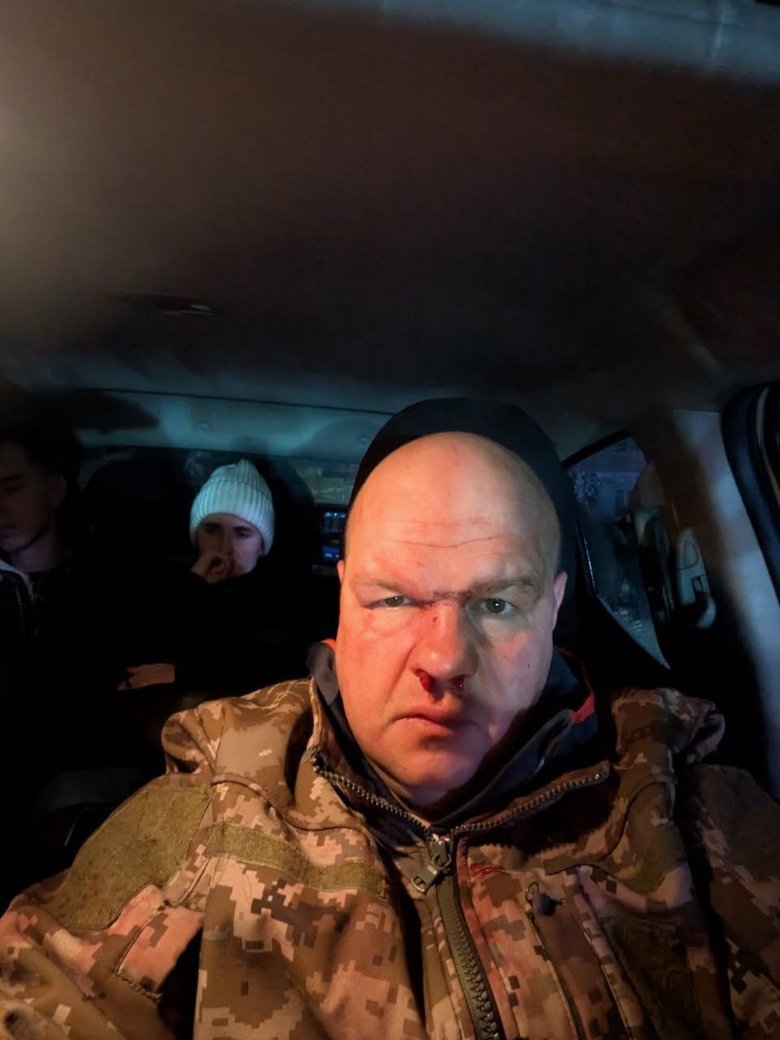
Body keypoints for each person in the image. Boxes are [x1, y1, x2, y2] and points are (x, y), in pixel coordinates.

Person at [1, 402, 778, 1040]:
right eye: (395, 599)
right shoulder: (214, 802)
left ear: (554, 611)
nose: (442, 658)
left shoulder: (682, 807)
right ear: (342, 602)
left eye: (495, 603)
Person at [119, 458, 301, 700]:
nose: (225, 548)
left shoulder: (284, 600)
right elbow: (139, 648)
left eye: (242, 533)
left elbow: (270, 669)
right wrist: (194, 585)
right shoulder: (166, 585)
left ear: (262, 544)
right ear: (196, 536)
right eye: (212, 530)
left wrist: (181, 674)